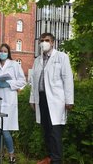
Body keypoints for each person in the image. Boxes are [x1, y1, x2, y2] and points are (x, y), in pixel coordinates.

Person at [29, 33, 74, 164]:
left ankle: (56, 160)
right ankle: (49, 157)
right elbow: (34, 81)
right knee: (46, 130)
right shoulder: (37, 60)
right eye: (42, 40)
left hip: (56, 100)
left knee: (55, 131)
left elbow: (68, 79)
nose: (44, 42)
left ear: (53, 42)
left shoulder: (62, 57)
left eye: (47, 40)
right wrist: (32, 99)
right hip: (42, 99)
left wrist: (69, 100)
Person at [0, 43, 26, 163]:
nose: (3, 53)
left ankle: (11, 154)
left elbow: (22, 81)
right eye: (1, 51)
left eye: (5, 51)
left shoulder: (14, 65)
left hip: (9, 101)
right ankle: (0, 153)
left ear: (8, 53)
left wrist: (9, 83)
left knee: (5, 129)